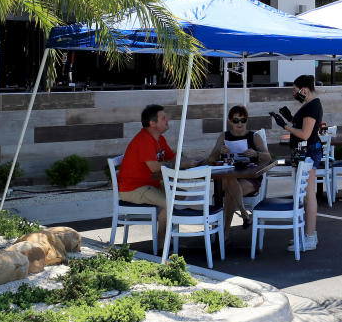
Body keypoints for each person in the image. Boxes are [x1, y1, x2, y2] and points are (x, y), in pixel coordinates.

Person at [117, 104, 196, 250]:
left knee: (181, 196)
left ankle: (170, 238)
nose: (167, 120)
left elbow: (173, 159)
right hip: (133, 188)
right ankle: (162, 246)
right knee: (170, 203)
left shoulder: (159, 139)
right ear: (152, 123)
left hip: (148, 184)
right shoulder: (144, 140)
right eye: (163, 118)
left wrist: (191, 161)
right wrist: (182, 163)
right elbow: (154, 167)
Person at [271, 74, 322, 252]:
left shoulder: (312, 106)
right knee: (305, 195)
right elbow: (302, 127)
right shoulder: (309, 105)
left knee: (308, 195)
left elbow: (305, 134)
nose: (294, 94)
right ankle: (307, 235)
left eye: (295, 91)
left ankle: (310, 237)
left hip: (308, 152)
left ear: (304, 90)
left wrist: (285, 126)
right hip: (304, 152)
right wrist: (291, 118)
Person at [205, 105, 272, 240]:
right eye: (236, 120)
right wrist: (219, 151)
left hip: (249, 178)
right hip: (227, 177)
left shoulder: (254, 136)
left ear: (247, 121)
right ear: (230, 121)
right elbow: (211, 159)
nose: (240, 123)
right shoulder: (224, 136)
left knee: (230, 192)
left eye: (243, 120)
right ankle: (244, 214)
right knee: (230, 180)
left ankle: (225, 234)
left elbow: (268, 157)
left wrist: (256, 153)